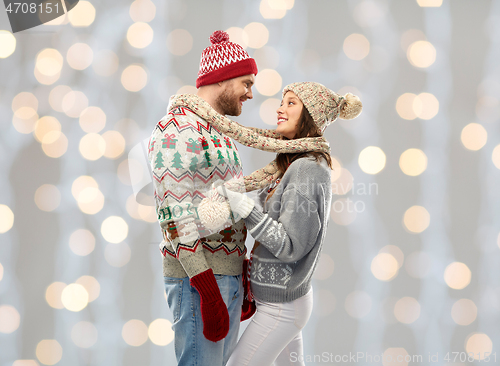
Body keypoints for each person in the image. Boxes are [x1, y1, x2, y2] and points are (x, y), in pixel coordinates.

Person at [209, 82, 363, 366]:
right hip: (282, 301)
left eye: (291, 103)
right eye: (283, 101)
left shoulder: (307, 169)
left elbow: (290, 246)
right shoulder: (294, 163)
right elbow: (278, 212)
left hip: (281, 308)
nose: (280, 108)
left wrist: (244, 207)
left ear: (311, 116)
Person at [148, 30, 258, 366]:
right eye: (246, 83)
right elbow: (173, 215)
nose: (250, 94)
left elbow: (229, 204)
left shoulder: (220, 133)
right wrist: (207, 288)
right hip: (199, 281)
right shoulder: (176, 130)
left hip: (224, 277)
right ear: (223, 80)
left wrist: (239, 271)